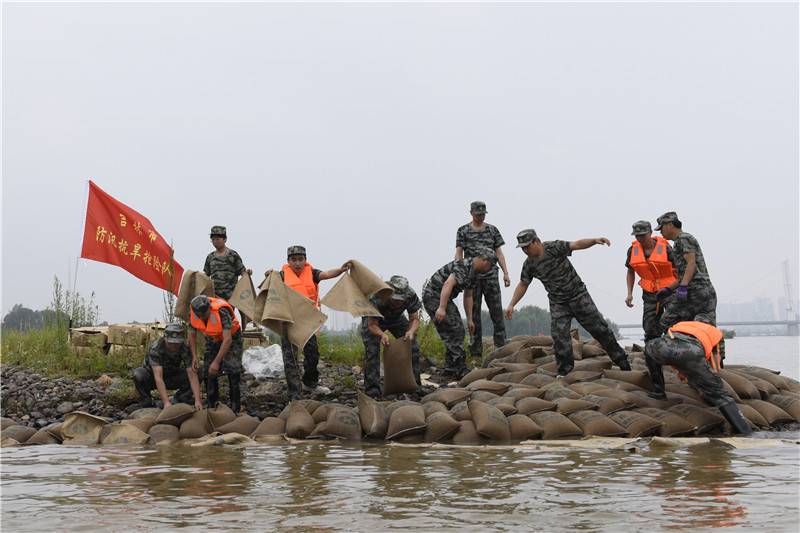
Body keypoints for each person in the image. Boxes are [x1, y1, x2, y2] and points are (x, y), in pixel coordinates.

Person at [505, 229, 631, 377]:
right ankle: (564, 371)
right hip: (558, 303)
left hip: (578, 296)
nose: (525, 250)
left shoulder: (553, 248)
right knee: (559, 337)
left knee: (601, 330)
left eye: (527, 246)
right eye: (523, 248)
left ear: (537, 241)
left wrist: (594, 240)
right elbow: (523, 284)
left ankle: (622, 362)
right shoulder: (529, 264)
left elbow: (576, 244)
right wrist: (512, 304)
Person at [265, 245, 351, 399]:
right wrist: (268, 276)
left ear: (305, 260)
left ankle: (310, 384)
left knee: (312, 353)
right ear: (288, 261)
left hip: (306, 320)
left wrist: (340, 270)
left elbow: (327, 274)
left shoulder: (311, 272)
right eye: (294, 260)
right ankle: (294, 393)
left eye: (300, 259)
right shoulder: (281, 275)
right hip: (288, 320)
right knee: (291, 357)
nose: (297, 263)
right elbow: (270, 289)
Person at [644, 321, 752, 435]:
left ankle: (659, 392)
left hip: (665, 347)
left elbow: (675, 352)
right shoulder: (716, 335)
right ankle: (746, 432)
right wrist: (709, 384)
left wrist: (687, 376)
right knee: (720, 395)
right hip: (692, 352)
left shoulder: (682, 325)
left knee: (648, 350)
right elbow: (715, 365)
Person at [654, 212, 725, 363]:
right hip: (706, 290)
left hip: (696, 291)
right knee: (707, 326)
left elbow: (691, 263)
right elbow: (685, 273)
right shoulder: (683, 239)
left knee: (667, 320)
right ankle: (715, 361)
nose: (661, 232)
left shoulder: (683, 238)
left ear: (670, 225)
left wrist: (684, 287)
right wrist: (669, 289)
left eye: (662, 228)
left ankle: (678, 355)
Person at [422, 248, 498, 380]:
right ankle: (460, 369)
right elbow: (448, 284)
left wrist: (469, 319)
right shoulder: (464, 266)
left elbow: (468, 296)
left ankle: (450, 368)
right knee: (455, 331)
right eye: (491, 266)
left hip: (444, 298)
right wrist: (441, 308)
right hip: (434, 296)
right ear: (484, 260)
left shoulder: (474, 274)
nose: (490, 269)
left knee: (458, 331)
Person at [455, 201, 511, 358]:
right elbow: (459, 253)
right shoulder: (463, 231)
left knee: (497, 314)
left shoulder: (492, 230)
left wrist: (506, 272)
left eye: (483, 214)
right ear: (471, 213)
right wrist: (459, 271)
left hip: (491, 277)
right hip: (472, 278)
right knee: (474, 317)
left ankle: (501, 351)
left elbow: (499, 253)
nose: (480, 216)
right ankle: (475, 354)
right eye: (478, 214)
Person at [360, 275, 422, 399]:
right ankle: (372, 391)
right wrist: (382, 335)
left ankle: (415, 387)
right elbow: (372, 325)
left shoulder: (410, 295)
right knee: (372, 350)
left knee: (413, 345)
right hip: (375, 320)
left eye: (401, 300)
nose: (398, 302)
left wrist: (411, 331)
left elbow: (414, 319)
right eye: (395, 299)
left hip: (396, 318)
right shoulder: (376, 296)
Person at [188, 294, 244, 412]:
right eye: (199, 315)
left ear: (209, 308)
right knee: (209, 372)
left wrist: (217, 362)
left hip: (232, 339)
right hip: (212, 338)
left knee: (233, 370)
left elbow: (227, 340)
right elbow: (191, 335)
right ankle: (212, 406)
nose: (202, 317)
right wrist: (194, 356)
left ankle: (235, 408)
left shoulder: (222, 311)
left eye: (204, 314)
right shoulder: (193, 312)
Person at [625, 220, 677, 342]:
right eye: (637, 236)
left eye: (643, 235)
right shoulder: (632, 250)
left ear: (650, 232)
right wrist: (629, 293)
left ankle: (674, 351)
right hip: (649, 292)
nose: (640, 238)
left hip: (669, 290)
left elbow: (680, 268)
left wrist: (683, 287)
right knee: (650, 327)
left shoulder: (666, 248)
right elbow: (630, 272)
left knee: (673, 323)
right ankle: (652, 354)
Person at [132, 323, 203, 410]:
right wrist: (166, 403)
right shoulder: (156, 348)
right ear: (165, 337)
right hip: (152, 378)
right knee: (138, 375)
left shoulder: (184, 347)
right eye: (171, 342)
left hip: (172, 376)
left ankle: (180, 399)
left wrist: (198, 400)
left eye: (177, 343)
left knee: (198, 371)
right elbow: (158, 377)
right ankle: (147, 399)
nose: (174, 346)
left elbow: (192, 374)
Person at [203, 225, 253, 301]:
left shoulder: (233, 255)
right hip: (214, 297)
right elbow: (205, 275)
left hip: (230, 297)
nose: (215, 242)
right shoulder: (210, 257)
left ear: (225, 239)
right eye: (213, 239)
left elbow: (243, 273)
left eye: (218, 239)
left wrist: (248, 273)